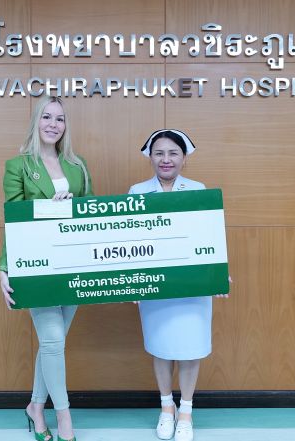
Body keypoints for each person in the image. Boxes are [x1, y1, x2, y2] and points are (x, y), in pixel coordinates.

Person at [0, 95, 92, 441]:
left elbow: (91, 214)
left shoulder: (78, 165)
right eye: (47, 117)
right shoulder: (18, 166)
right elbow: (14, 220)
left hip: (73, 264)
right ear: (36, 122)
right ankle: (64, 417)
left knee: (53, 343)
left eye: (60, 119)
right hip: (37, 266)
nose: (54, 124)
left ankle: (35, 407)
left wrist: (73, 206)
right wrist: (4, 267)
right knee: (53, 341)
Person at [128, 129, 229, 441]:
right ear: (150, 157)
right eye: (159, 153)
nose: (166, 159)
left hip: (192, 285)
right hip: (155, 284)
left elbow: (210, 236)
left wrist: (217, 273)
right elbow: (129, 240)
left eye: (173, 153)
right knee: (162, 347)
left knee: (189, 348)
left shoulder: (198, 190)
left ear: (184, 158)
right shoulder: (137, 192)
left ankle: (186, 410)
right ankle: (166, 407)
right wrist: (132, 280)